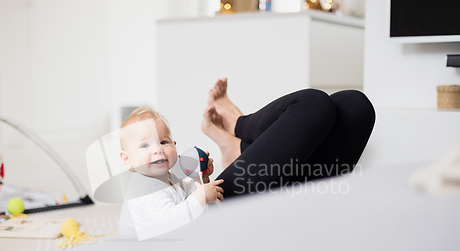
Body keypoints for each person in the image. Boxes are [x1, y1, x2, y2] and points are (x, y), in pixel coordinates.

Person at [201, 78, 376, 198]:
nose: (174, 146)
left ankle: (238, 146)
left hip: (220, 198)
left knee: (355, 105)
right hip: (219, 208)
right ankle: (238, 127)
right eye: (170, 140)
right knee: (313, 103)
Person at [118, 106, 223, 240]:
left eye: (163, 142)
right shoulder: (144, 191)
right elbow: (171, 221)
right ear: (127, 159)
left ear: (174, 145)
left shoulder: (166, 177)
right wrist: (201, 197)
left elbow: (183, 194)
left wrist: (201, 177)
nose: (157, 149)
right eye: (144, 145)